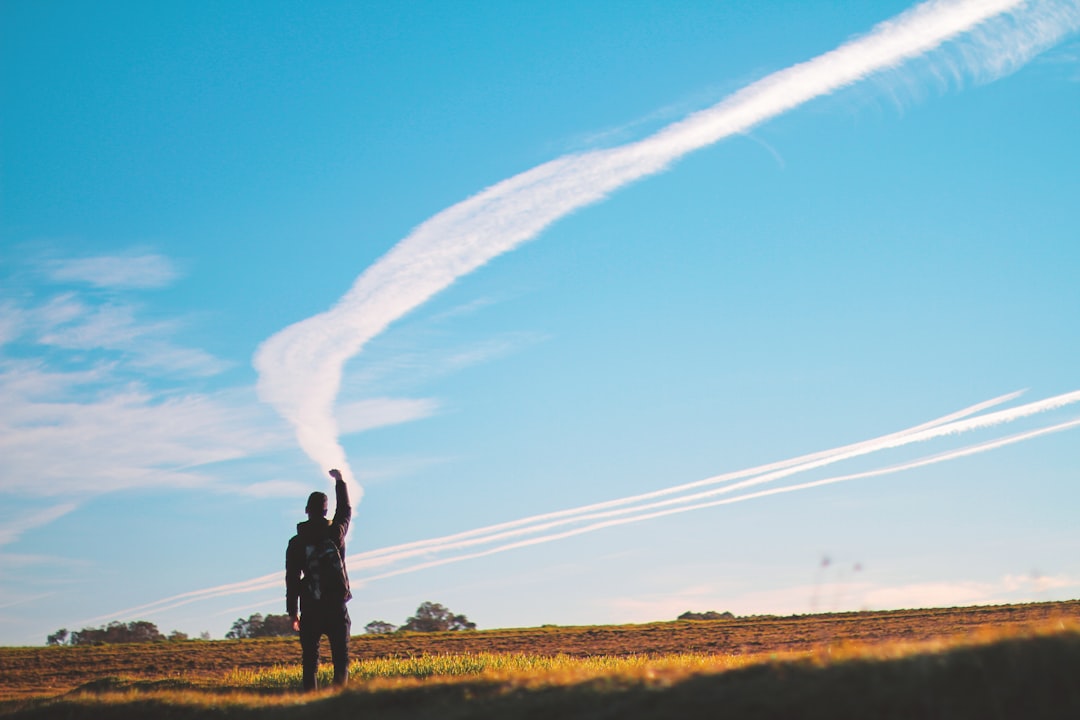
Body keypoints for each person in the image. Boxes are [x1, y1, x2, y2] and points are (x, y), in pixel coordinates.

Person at [286, 468, 352, 691]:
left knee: (310, 662)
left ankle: (310, 705)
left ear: (306, 511)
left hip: (311, 605)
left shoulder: (296, 543)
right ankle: (338, 703)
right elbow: (345, 511)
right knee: (341, 659)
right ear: (326, 511)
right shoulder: (336, 533)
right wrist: (340, 482)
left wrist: (292, 612)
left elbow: (292, 578)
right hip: (335, 605)